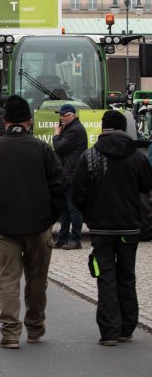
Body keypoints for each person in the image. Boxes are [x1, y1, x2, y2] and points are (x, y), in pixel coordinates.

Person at [0, 94, 62, 349]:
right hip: (38, 227)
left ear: (4, 121)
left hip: (4, 228)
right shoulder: (43, 149)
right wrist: (49, 219)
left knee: (7, 280)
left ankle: (10, 333)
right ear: (29, 122)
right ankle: (35, 328)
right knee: (37, 280)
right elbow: (58, 188)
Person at [72, 109, 152, 346]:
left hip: (100, 230)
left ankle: (109, 331)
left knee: (104, 276)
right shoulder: (137, 157)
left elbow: (77, 193)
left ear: (103, 127)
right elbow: (146, 187)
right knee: (127, 275)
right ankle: (127, 328)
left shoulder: (89, 156)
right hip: (130, 229)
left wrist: (90, 214)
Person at [53, 103, 87, 250]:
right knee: (64, 210)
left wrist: (56, 134)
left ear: (72, 115)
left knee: (74, 209)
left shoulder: (75, 130)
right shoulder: (70, 129)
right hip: (66, 174)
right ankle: (62, 238)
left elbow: (59, 148)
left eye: (64, 115)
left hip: (72, 174)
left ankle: (76, 240)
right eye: (60, 115)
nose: (61, 118)